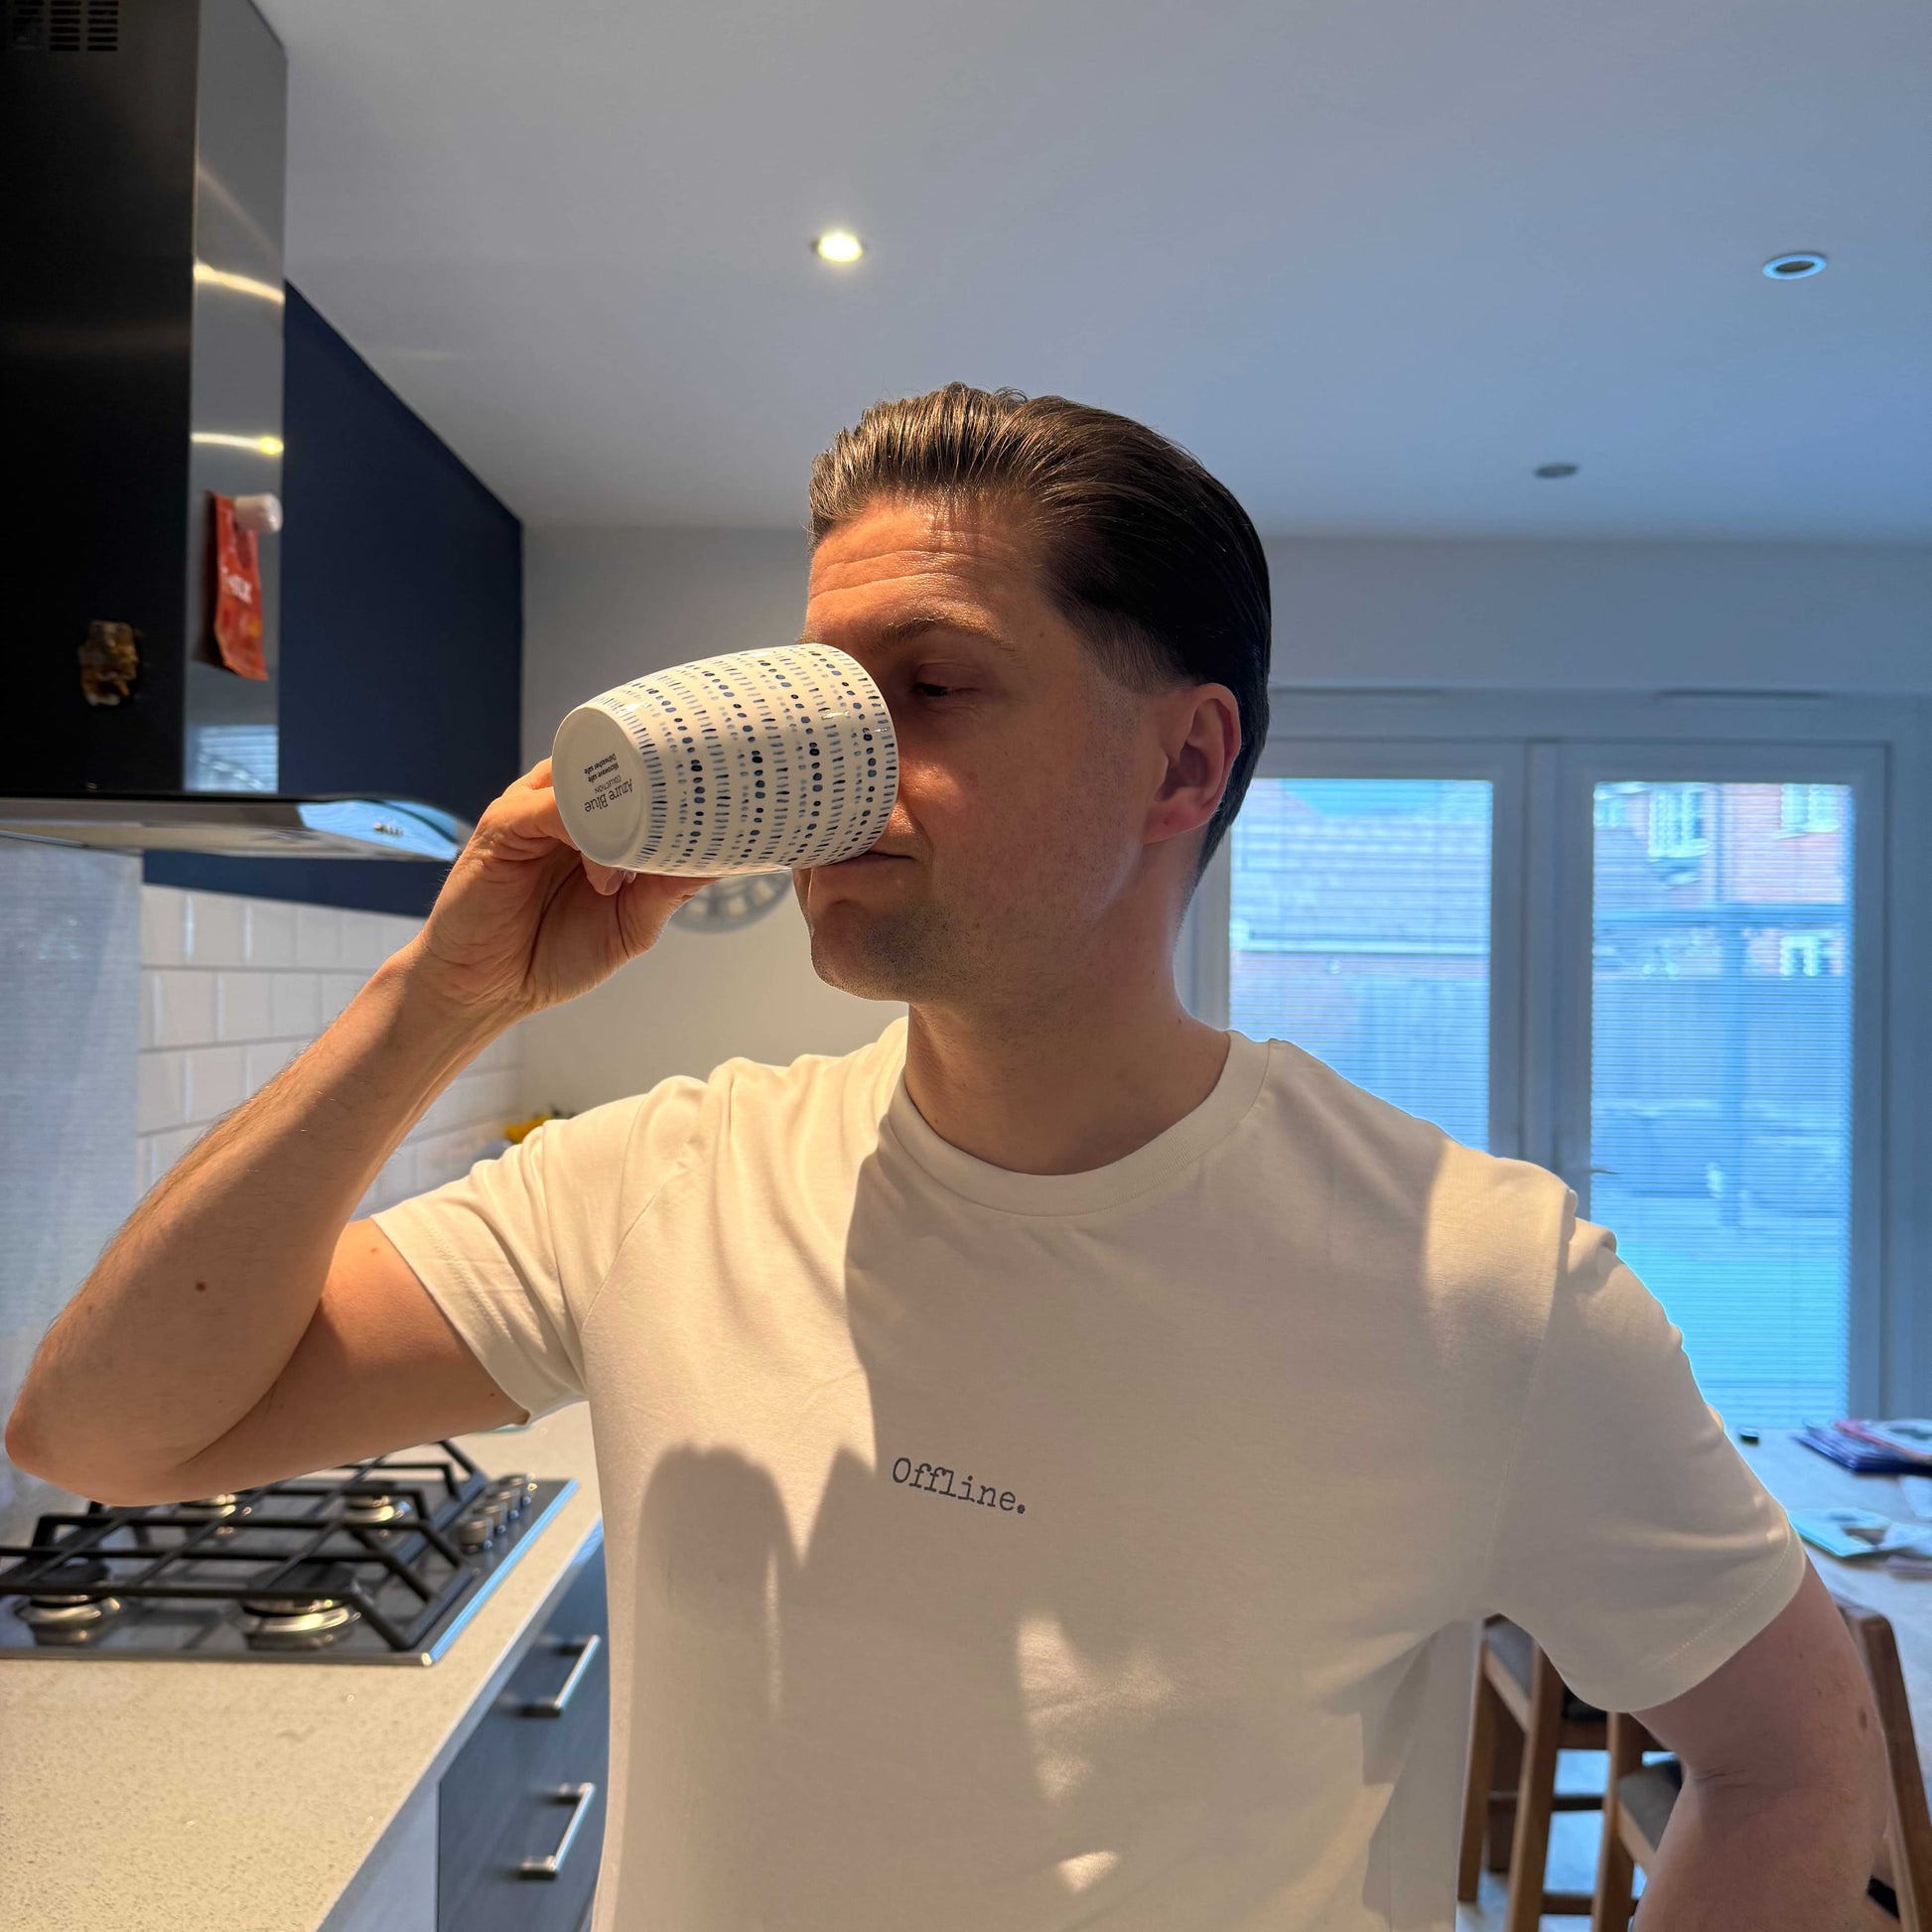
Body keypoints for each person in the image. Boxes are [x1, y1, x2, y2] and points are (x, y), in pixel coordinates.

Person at [9, 385, 1884, 1931]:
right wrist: (436, 993)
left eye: (928, 685)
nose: (835, 766)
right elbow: (105, 1436)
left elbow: (1800, 1762)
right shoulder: (657, 1181)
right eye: (824, 694)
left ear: (1180, 767)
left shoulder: (1478, 1277)